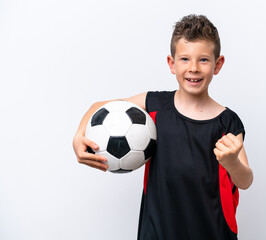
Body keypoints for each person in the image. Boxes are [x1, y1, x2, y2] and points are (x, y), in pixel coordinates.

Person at [73, 14, 253, 240]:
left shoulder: (227, 121)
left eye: (204, 60)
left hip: (212, 232)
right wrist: (78, 136)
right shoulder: (154, 105)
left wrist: (232, 162)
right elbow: (98, 107)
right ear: (172, 63)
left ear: (218, 65)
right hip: (158, 232)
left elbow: (245, 180)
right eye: (185, 59)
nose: (194, 68)